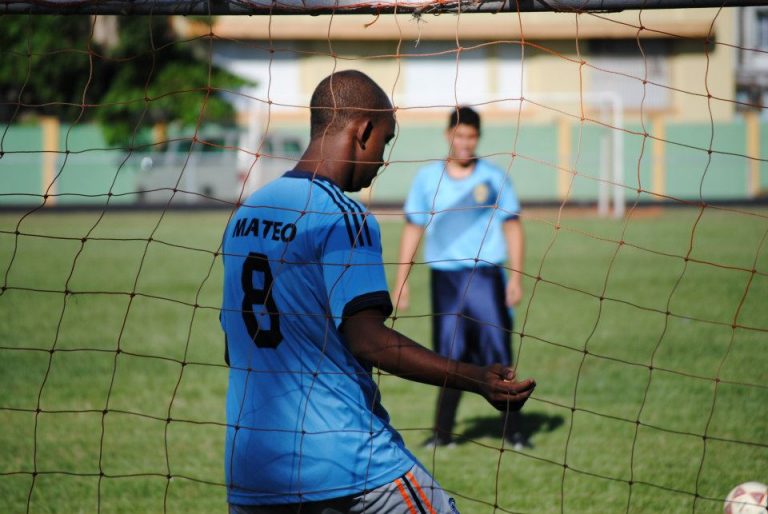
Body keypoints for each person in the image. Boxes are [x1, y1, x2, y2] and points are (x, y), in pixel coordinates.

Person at [220, 70, 536, 514]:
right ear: (363, 131)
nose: (383, 160)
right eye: (385, 142)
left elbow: (234, 347)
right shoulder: (343, 217)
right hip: (346, 458)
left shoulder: (246, 214)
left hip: (253, 464)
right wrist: (475, 378)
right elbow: (368, 340)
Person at [392, 106, 529, 450]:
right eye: (459, 135)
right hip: (446, 281)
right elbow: (412, 229)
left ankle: (514, 433)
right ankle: (442, 435)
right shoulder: (427, 179)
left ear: (478, 138)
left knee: (498, 354)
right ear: (448, 135)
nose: (465, 143)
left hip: (486, 278)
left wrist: (515, 277)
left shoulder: (494, 178)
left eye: (471, 136)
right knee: (448, 357)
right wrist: (401, 281)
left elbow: (513, 227)